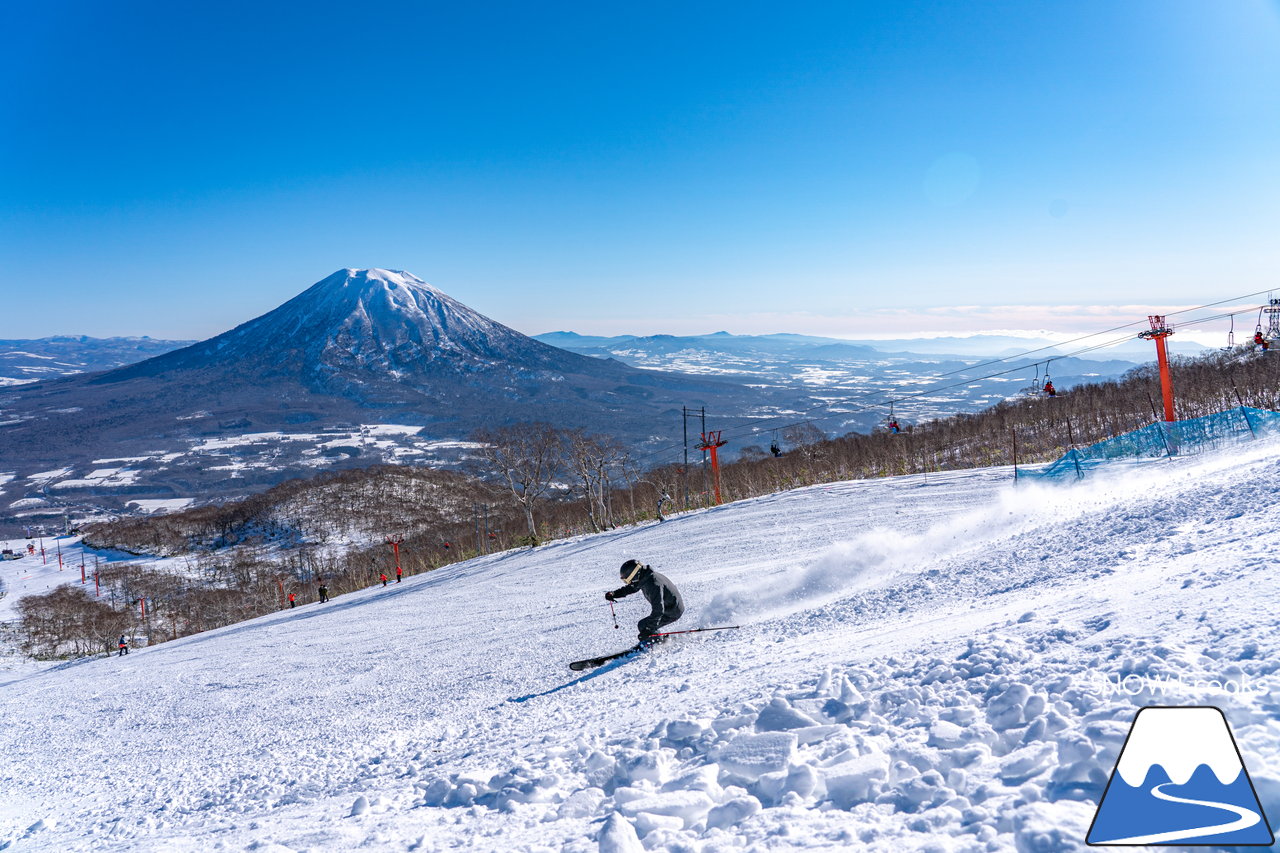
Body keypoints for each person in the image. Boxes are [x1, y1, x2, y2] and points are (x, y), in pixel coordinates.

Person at [605, 559, 684, 644]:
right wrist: (614, 594)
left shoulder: (653, 583)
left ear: (634, 575)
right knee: (644, 625)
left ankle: (657, 643)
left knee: (644, 625)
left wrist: (648, 629)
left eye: (628, 580)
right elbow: (632, 587)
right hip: (669, 607)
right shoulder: (645, 577)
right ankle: (656, 640)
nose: (629, 583)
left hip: (673, 610)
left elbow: (658, 610)